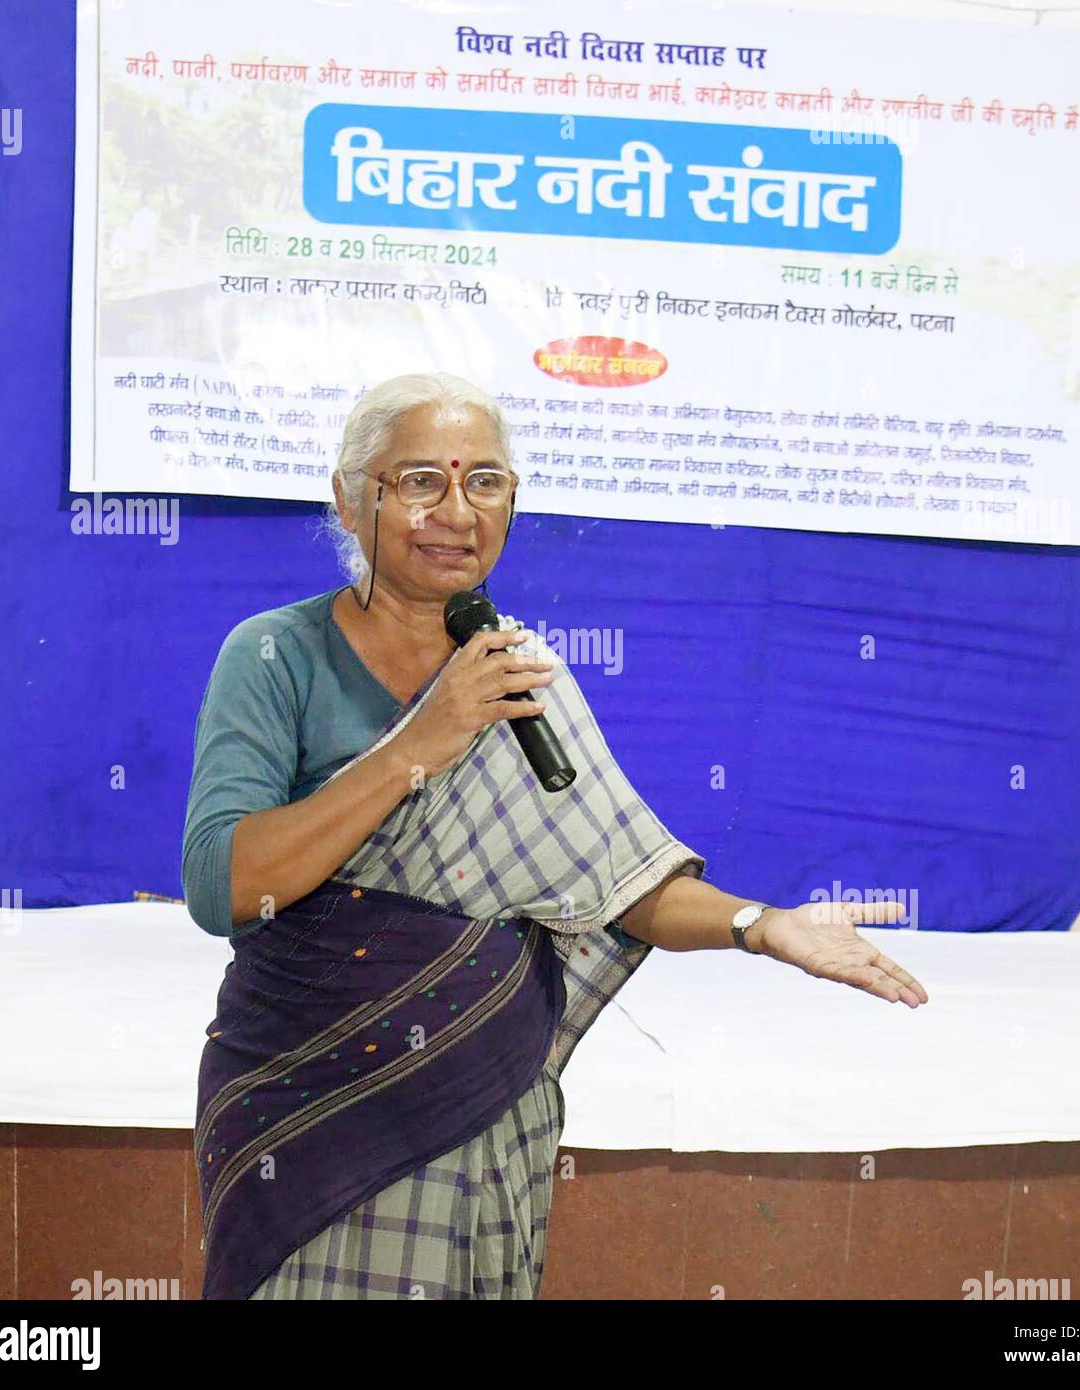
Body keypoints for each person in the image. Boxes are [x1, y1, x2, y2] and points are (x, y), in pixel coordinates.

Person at [182, 371, 928, 1300]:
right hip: (311, 1112)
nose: (457, 510)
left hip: (481, 1103)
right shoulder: (275, 656)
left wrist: (763, 925)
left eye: (485, 481)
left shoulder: (524, 676)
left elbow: (619, 881)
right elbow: (223, 888)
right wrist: (421, 742)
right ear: (350, 495)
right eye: (421, 481)